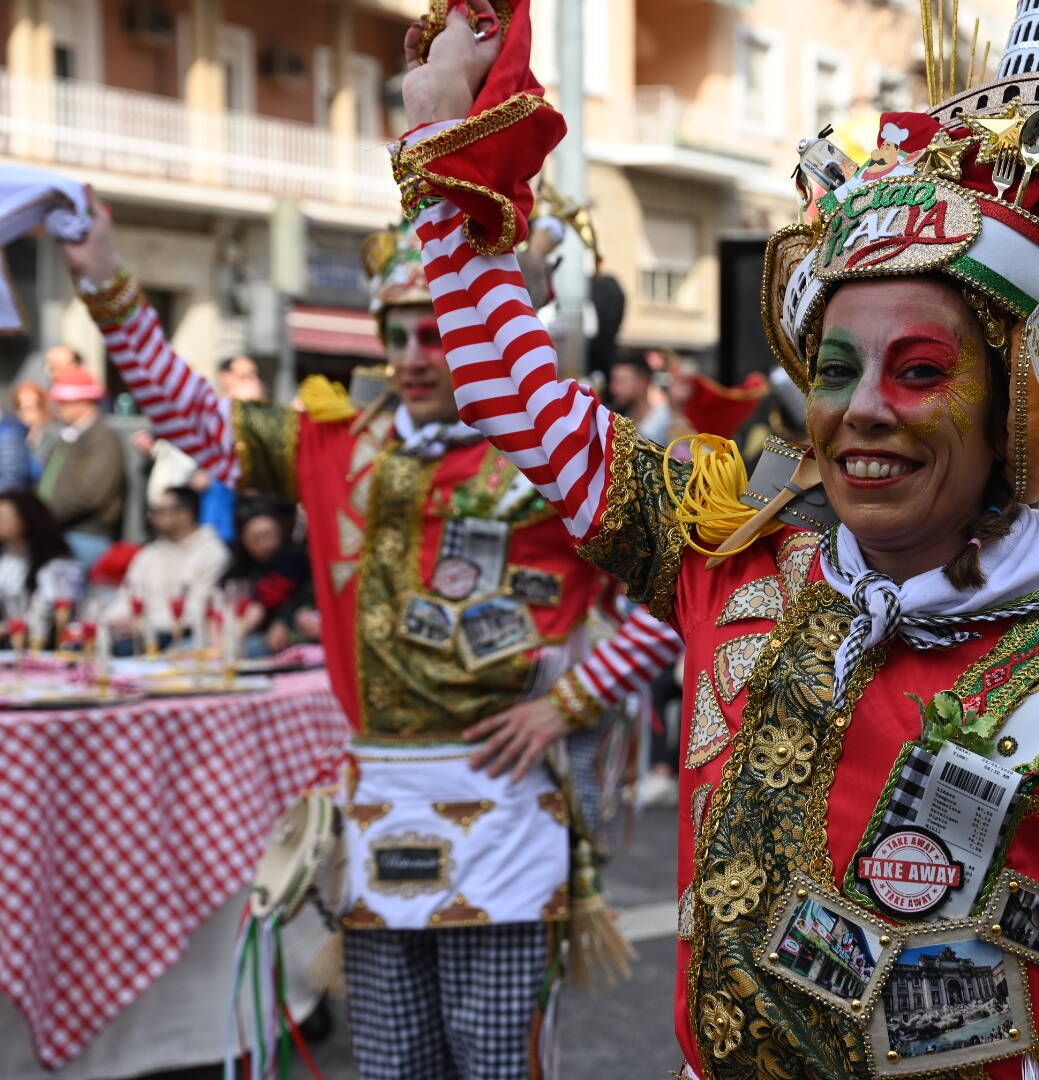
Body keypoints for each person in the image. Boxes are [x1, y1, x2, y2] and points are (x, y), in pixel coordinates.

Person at [396, 4, 1039, 1077]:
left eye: (920, 371)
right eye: (838, 371)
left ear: (1012, 407)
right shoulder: (742, 558)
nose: (865, 410)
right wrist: (435, 134)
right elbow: (518, 395)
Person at [57, 177, 682, 1079]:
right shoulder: (339, 436)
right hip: (376, 799)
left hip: (507, 804)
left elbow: (684, 589)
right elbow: (191, 420)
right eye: (399, 335)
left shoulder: (555, 449)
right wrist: (107, 284)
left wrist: (571, 702)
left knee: (496, 1060)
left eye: (439, 332)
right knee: (393, 1064)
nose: (418, 355)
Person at [103, 485, 230, 642]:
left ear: (186, 515)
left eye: (161, 511)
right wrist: (111, 621)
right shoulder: (149, 553)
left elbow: (196, 611)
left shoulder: (212, 552)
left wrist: (142, 625)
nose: (153, 517)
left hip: (189, 638)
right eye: (153, 511)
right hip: (137, 636)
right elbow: (126, 597)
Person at [37, 366, 125, 565]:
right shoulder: (68, 435)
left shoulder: (102, 438)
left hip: (86, 535)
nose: (59, 407)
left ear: (85, 401)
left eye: (65, 402)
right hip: (61, 531)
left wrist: (44, 515)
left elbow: (91, 494)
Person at [225, 496, 314, 657]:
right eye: (256, 538)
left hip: (287, 635)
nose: (265, 543)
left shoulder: (295, 560)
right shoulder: (239, 567)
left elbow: (301, 597)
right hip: (243, 634)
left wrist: (283, 622)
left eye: (269, 535)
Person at [0, 489, 83, 635]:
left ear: (26, 519)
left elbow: (51, 612)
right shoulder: (6, 556)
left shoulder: (56, 564)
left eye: (4, 517)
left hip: (41, 640)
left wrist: (10, 628)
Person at [608, 349, 673, 444]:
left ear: (643, 382)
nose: (614, 389)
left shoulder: (666, 421)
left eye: (622, 381)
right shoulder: (612, 422)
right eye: (613, 381)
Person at [13, 380, 53, 481]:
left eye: (29, 408)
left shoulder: (53, 434)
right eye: (19, 407)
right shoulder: (15, 434)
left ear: (42, 407)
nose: (23, 412)